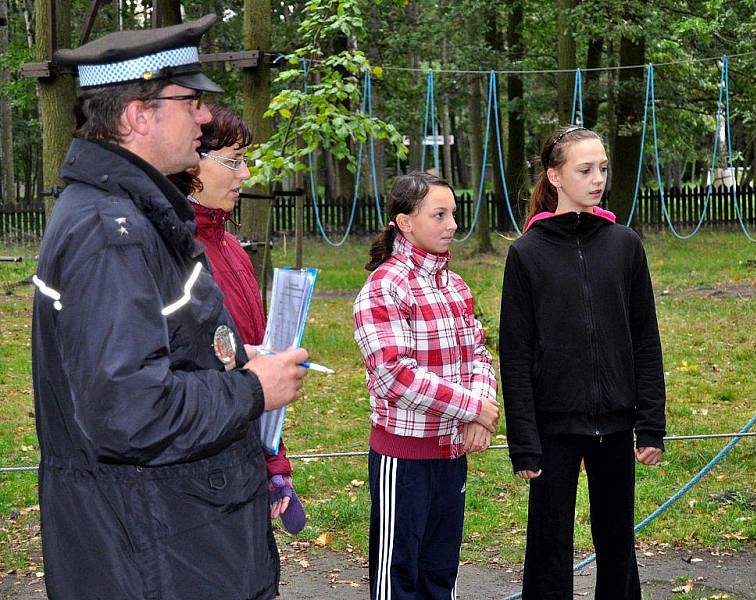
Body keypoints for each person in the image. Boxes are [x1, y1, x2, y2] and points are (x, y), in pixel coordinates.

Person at [31, 15, 308, 600]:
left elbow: (148, 357)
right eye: (190, 101)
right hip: (154, 555)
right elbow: (128, 410)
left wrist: (234, 363)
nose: (204, 116)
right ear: (138, 115)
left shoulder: (133, 215)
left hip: (171, 538)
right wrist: (251, 390)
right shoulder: (111, 232)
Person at [499, 125, 667, 600]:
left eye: (604, 169)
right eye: (585, 169)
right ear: (554, 176)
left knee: (617, 544)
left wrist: (650, 424)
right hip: (553, 426)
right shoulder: (527, 254)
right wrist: (524, 441)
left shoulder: (625, 245)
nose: (598, 179)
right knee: (548, 546)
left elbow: (645, 340)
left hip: (616, 422)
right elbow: (515, 354)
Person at [353, 171, 501, 600]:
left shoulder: (455, 286)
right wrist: (470, 408)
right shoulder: (384, 287)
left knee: (441, 572)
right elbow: (394, 374)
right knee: (399, 576)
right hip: (404, 459)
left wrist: (481, 407)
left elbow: (479, 354)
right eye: (439, 215)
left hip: (450, 454)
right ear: (405, 222)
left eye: (453, 213)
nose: (453, 224)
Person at [170, 103, 305, 534]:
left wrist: (273, 461)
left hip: (244, 460)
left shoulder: (230, 248)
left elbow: (253, 366)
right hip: (198, 479)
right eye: (234, 161)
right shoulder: (170, 255)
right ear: (193, 162)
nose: (245, 174)